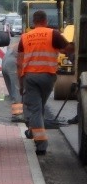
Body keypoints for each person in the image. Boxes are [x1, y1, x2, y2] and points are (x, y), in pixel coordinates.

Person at [17, 9, 74, 155]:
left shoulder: (25, 37)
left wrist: (20, 82)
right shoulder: (53, 34)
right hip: (48, 76)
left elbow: (19, 62)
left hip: (30, 76)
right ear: (45, 21)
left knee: (36, 109)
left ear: (33, 22)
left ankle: (38, 139)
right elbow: (67, 49)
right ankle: (36, 137)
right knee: (38, 107)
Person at [1, 40, 24, 122]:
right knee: (16, 90)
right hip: (13, 63)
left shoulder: (20, 42)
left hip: (5, 61)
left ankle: (17, 113)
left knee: (13, 91)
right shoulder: (28, 43)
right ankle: (17, 115)